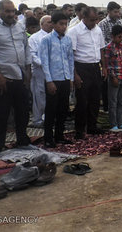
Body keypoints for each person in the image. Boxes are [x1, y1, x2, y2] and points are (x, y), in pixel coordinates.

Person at [0, 0, 32, 153]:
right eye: (7, 11)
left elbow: (26, 49)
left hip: (20, 77)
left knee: (23, 113)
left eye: (13, 11)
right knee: (0, 115)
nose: (11, 14)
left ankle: (23, 141)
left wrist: (28, 73)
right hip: (2, 80)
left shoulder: (19, 27)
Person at [67, 6, 106, 139]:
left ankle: (92, 126)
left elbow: (101, 49)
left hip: (95, 67)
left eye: (96, 20)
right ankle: (79, 130)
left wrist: (104, 67)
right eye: (91, 20)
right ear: (83, 18)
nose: (94, 22)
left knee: (95, 99)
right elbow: (70, 55)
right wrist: (75, 74)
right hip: (81, 67)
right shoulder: (74, 32)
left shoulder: (98, 30)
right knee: (82, 101)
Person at [39, 11, 74, 147]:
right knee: (51, 109)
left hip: (65, 78)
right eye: (61, 24)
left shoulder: (67, 39)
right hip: (53, 79)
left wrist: (70, 78)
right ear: (53, 24)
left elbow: (70, 59)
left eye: (65, 24)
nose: (63, 27)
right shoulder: (46, 40)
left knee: (63, 109)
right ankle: (48, 137)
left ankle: (59, 135)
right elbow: (44, 62)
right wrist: (49, 81)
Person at [103, 25, 122, 131]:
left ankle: (120, 122)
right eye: (119, 37)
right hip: (115, 77)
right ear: (112, 36)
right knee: (113, 102)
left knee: (121, 101)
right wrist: (113, 76)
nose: (121, 39)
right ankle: (113, 124)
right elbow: (108, 64)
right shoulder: (108, 48)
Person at [28, 15, 52, 128]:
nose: (51, 24)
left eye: (52, 22)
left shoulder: (56, 36)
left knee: (51, 95)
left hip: (54, 71)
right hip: (40, 70)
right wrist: (43, 64)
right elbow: (32, 54)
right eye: (48, 22)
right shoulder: (34, 38)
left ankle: (48, 118)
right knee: (39, 95)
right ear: (41, 24)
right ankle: (37, 120)